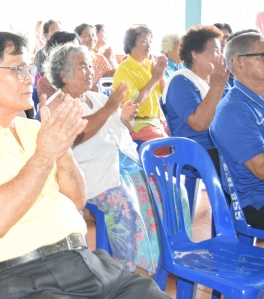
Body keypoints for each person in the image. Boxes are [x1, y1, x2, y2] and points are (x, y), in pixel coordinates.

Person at [0, 31, 209, 299]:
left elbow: (76, 199)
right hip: (26, 284)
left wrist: (62, 147)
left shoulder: (34, 130)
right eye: (19, 69)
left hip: (88, 263)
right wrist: (45, 153)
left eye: (29, 68)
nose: (30, 78)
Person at [45, 43, 174, 274]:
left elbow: (125, 128)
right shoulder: (57, 104)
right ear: (64, 75)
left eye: (89, 65)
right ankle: (125, 271)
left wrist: (125, 117)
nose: (90, 71)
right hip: (89, 174)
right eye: (82, 66)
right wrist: (111, 106)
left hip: (123, 164)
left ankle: (161, 257)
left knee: (166, 190)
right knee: (125, 203)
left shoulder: (96, 97)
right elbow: (79, 134)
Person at [211, 32, 264, 232]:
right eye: (263, 55)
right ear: (239, 63)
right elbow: (262, 169)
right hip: (259, 201)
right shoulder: (232, 110)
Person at [161, 26, 229, 172]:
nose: (220, 56)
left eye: (220, 51)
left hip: (220, 145)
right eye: (215, 51)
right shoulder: (180, 81)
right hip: (196, 150)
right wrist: (217, 86)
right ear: (195, 54)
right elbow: (199, 124)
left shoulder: (214, 79)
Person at [113, 24, 169, 144]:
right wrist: (155, 78)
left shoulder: (150, 64)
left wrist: (161, 77)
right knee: (166, 143)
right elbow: (134, 103)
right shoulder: (124, 69)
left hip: (159, 120)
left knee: (183, 134)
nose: (148, 46)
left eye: (150, 41)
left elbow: (167, 96)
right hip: (138, 124)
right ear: (130, 44)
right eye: (143, 41)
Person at [35, 31, 80, 99]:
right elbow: (56, 104)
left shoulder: (87, 73)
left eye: (79, 48)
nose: (79, 53)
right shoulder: (45, 82)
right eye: (72, 50)